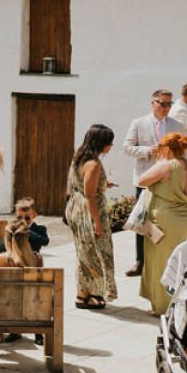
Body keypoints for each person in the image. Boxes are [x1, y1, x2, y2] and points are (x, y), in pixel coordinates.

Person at [123, 89, 186, 276]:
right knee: (143, 219)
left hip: (168, 180)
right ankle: (140, 261)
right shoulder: (138, 123)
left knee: (165, 220)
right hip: (144, 179)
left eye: (169, 104)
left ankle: (164, 262)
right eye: (163, 103)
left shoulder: (177, 125)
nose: (166, 108)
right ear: (153, 103)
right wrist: (145, 151)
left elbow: (184, 151)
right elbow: (126, 148)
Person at [137, 132, 187, 315]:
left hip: (163, 219)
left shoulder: (167, 166)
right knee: (176, 260)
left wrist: (158, 161)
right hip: (184, 218)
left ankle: (162, 307)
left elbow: (141, 180)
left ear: (167, 149)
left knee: (159, 261)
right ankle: (174, 302)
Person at [66, 124, 118, 309]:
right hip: (88, 211)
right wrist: (97, 222)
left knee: (84, 253)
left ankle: (83, 295)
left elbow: (83, 185)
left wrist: (104, 184)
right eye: (109, 142)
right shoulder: (94, 164)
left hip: (76, 208)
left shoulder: (79, 159)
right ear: (101, 143)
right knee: (97, 253)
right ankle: (94, 294)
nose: (111, 146)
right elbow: (90, 195)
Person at [0, 220, 43, 356]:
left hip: (7, 314)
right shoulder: (37, 258)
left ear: (7, 239)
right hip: (34, 313)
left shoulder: (2, 259)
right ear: (27, 238)